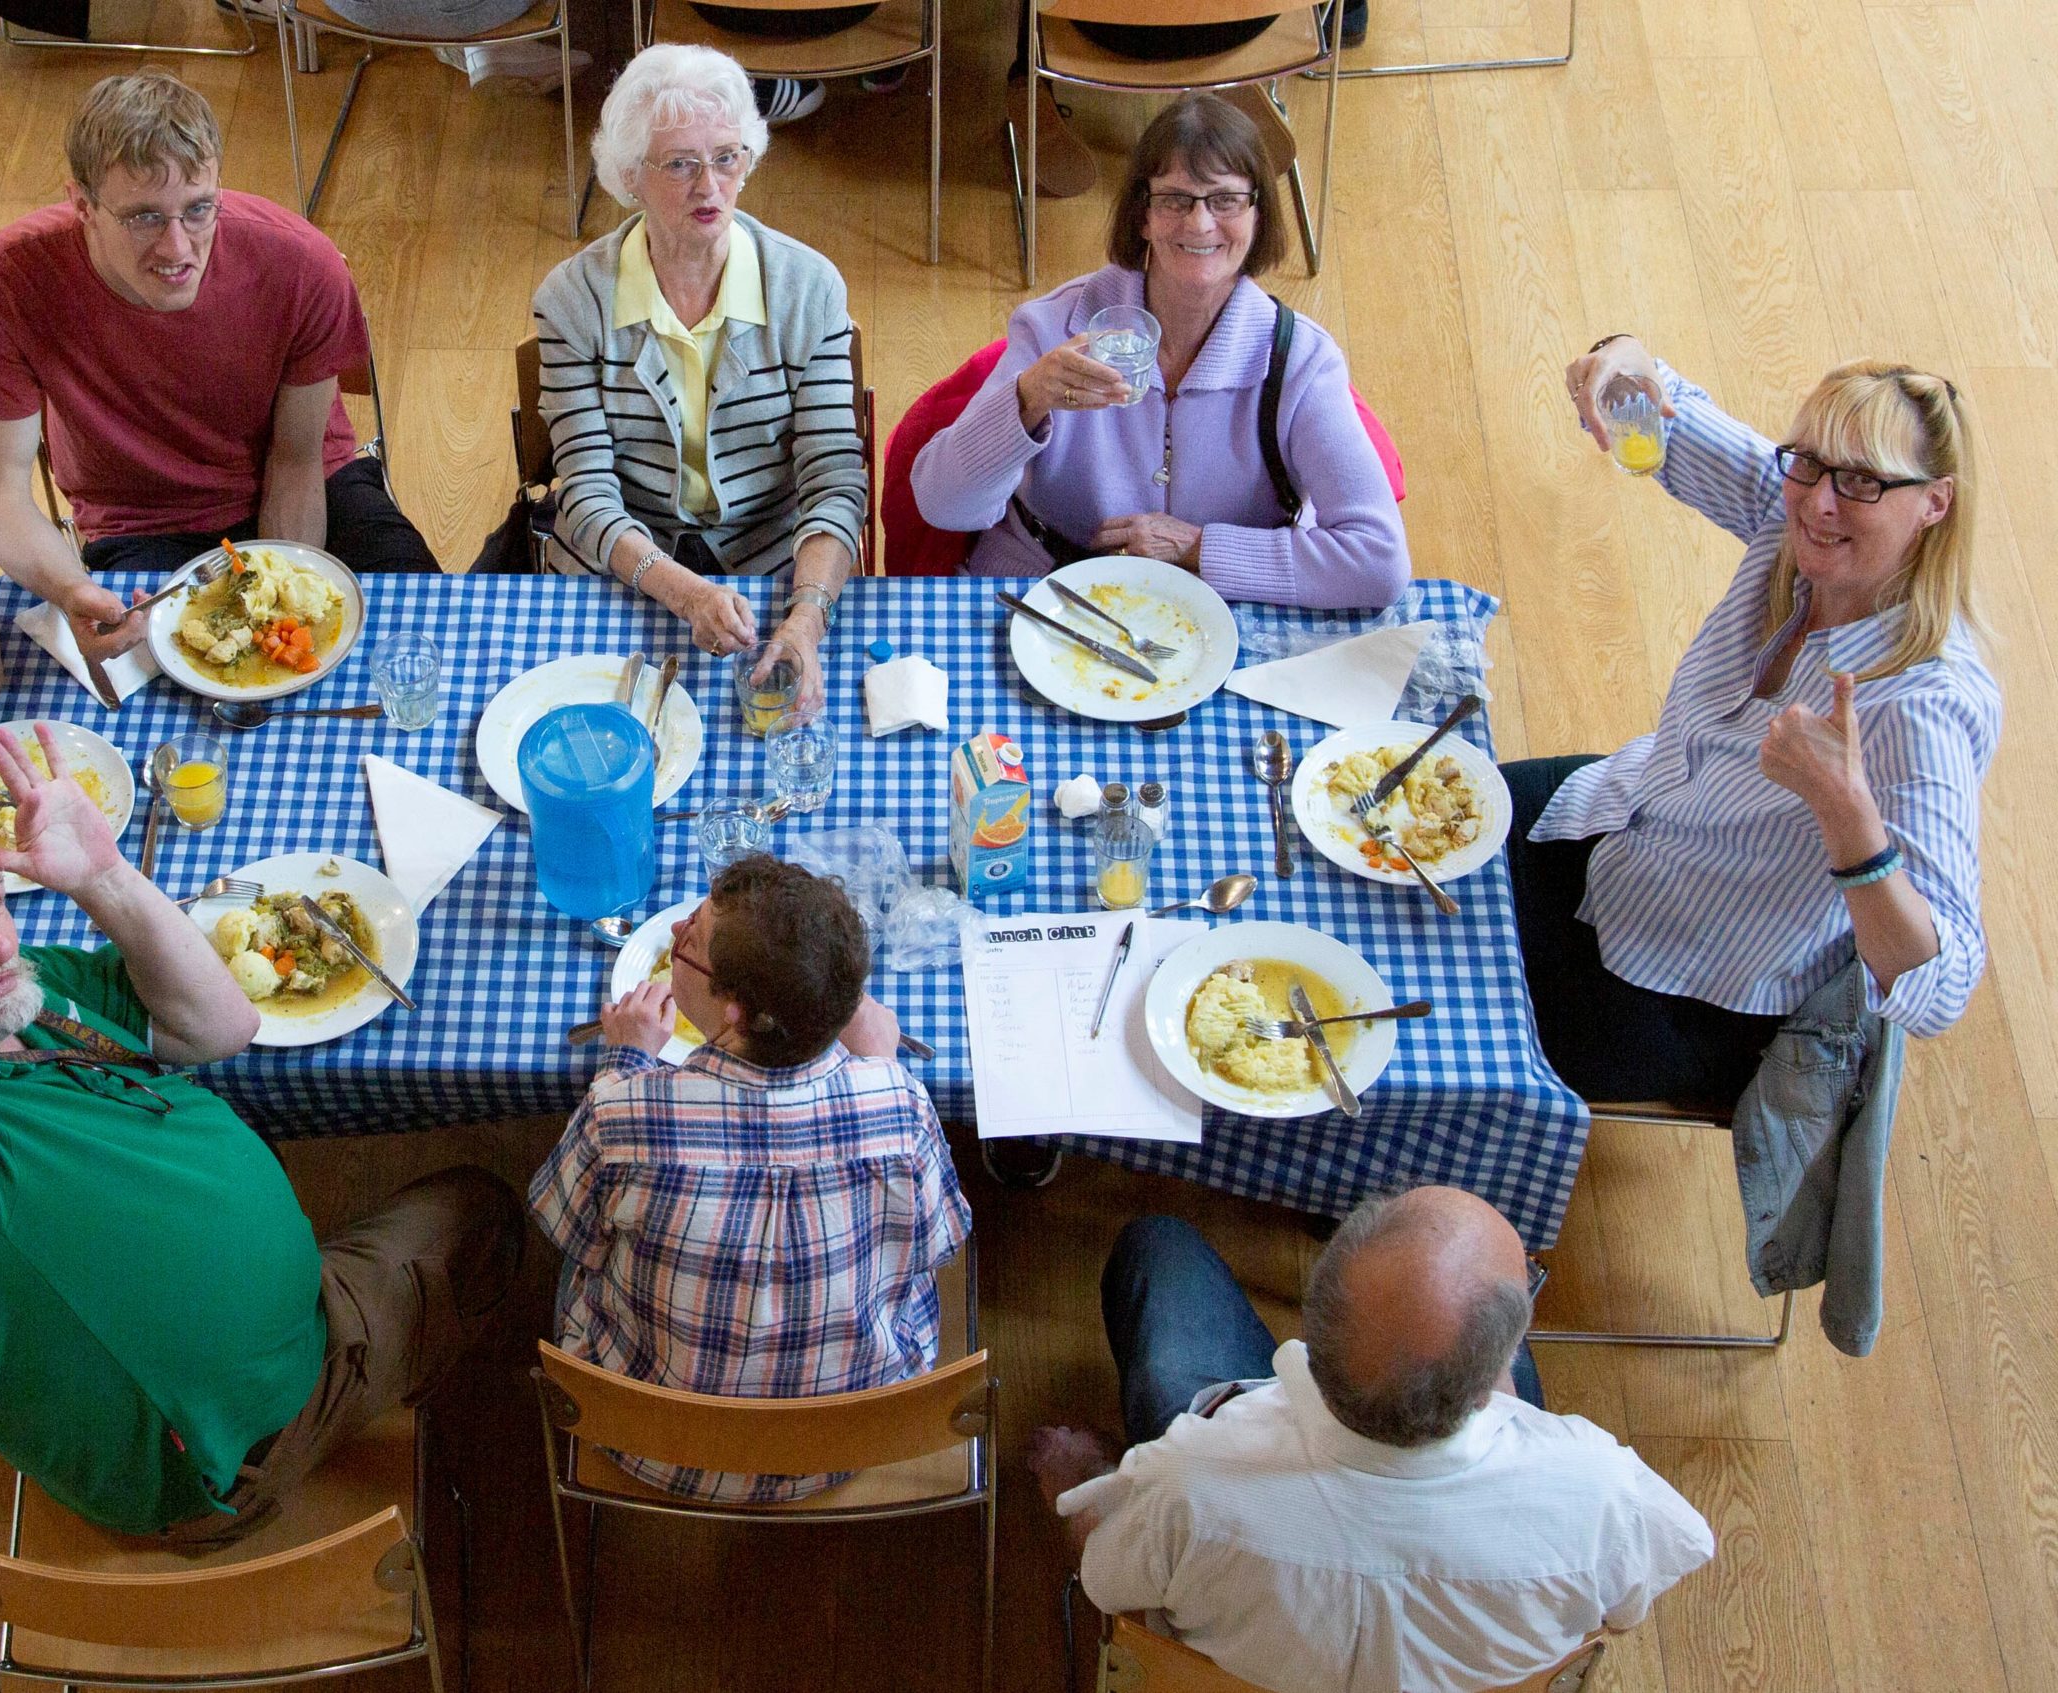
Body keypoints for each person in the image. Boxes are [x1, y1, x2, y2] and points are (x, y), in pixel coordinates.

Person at [0, 725, 521, 1545]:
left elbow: (220, 1024)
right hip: (238, 1451)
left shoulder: (14, 998)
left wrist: (105, 876)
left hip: (260, 1346)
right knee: (479, 1210)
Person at [1510, 342, 1999, 1106]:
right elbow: (1659, 408)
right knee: (1390, 823)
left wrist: (1847, 810)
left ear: (1934, 503)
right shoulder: (1797, 514)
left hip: (1679, 989)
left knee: (1431, 987)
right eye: (1808, 461)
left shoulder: (1924, 705)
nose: (1819, 502)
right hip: (1621, 815)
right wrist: (1613, 365)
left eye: (1862, 481)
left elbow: (1943, 986)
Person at [1033, 1191, 1714, 1693]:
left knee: (1158, 1243)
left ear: (1316, 1317)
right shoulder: (1599, 1490)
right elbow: (1625, 1609)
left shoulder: (1189, 1483)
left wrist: (1085, 1475)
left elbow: (1105, 1573)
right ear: (1483, 1391)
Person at [529, 854, 969, 1503]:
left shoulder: (620, 1109)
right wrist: (882, 1064)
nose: (676, 928)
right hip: (853, 1437)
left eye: (690, 939)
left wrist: (623, 1060)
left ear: (733, 1012)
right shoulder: (902, 1108)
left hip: (650, 1438)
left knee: (586, 1248)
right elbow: (942, 1243)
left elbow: (562, 1224)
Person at [0, 70, 435, 666]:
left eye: (198, 209)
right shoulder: (7, 279)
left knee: (427, 623)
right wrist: (72, 591)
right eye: (144, 218)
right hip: (139, 521)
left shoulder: (300, 263)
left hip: (309, 484)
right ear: (82, 204)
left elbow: (294, 459)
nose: (177, 248)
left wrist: (270, 600)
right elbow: (3, 493)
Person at [912, 93, 1408, 608]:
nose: (1199, 224)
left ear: (1258, 215)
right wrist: (1027, 399)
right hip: (1041, 591)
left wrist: (1198, 547)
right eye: (1174, 199)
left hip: (1223, 607)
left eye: (1225, 200)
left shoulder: (1301, 360)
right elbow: (941, 503)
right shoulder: (1052, 326)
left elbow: (1379, 562)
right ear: (1142, 215)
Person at [532, 44, 865, 711]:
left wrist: (805, 618)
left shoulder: (808, 289)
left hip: (774, 569)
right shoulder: (572, 299)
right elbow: (589, 495)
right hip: (623, 568)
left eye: (726, 157)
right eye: (680, 164)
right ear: (629, 176)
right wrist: (686, 593)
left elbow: (834, 479)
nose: (709, 186)